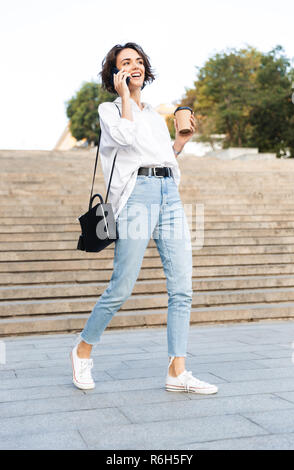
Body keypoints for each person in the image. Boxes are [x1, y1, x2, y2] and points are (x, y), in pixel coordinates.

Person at [70, 42, 218, 395]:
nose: (134, 66)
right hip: (137, 198)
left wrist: (180, 142)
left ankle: (177, 371)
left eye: (139, 61)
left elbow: (162, 156)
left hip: (169, 194)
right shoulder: (110, 110)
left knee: (182, 287)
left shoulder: (153, 114)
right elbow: (124, 136)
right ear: (115, 72)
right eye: (125, 63)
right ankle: (82, 350)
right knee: (122, 285)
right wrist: (124, 97)